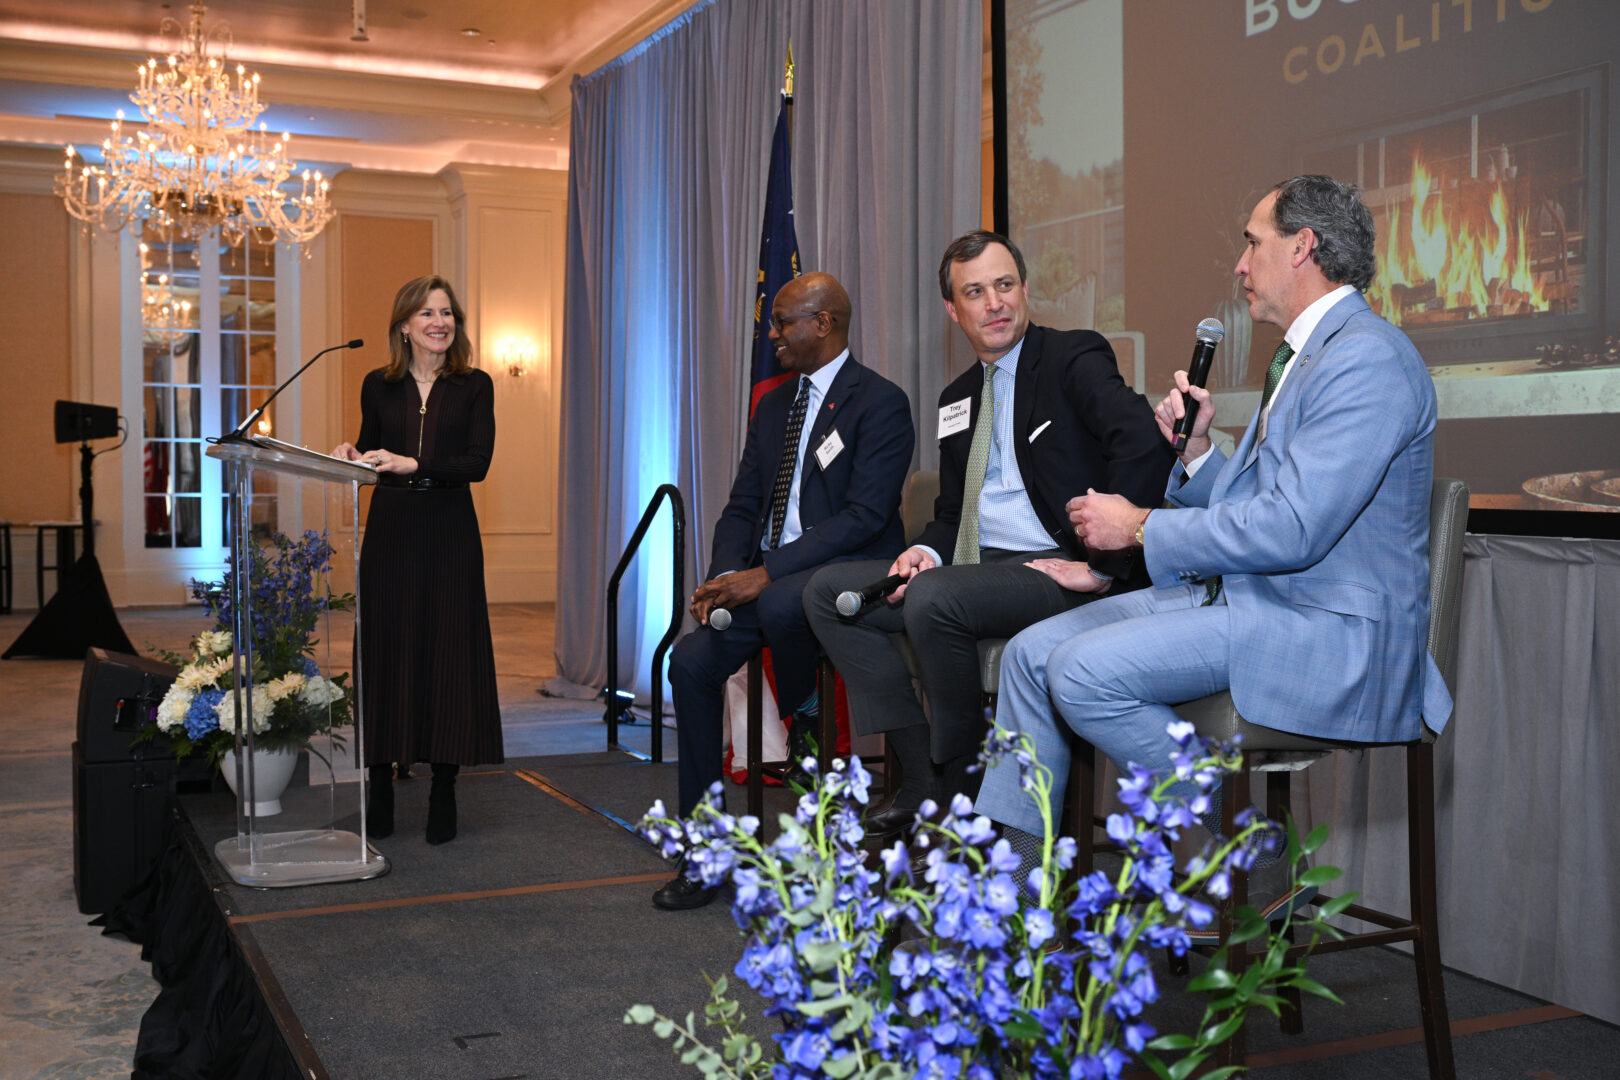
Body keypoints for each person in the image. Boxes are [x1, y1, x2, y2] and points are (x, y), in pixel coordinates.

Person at [973, 175, 1453, 928]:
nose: (1239, 266)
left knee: (1083, 670)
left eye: (1251, 242)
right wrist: (1197, 454)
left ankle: (1245, 852)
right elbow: (1264, 509)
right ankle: (1009, 894)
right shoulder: (1305, 355)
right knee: (1032, 655)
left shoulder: (1367, 360)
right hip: (1260, 598)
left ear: (1304, 247)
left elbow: (1293, 530)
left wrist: (1139, 528)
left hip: (1332, 630)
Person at [804, 231, 1171, 839]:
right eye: (975, 292)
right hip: (978, 568)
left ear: (1024, 290)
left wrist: (1108, 560)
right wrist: (923, 551)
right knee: (829, 593)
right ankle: (921, 771)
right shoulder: (956, 399)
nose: (994, 303)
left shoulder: (1072, 358)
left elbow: (1145, 445)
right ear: (954, 310)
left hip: (1055, 569)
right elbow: (953, 512)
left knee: (936, 597)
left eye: (1004, 286)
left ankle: (963, 790)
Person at [654, 271, 915, 910]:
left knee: (774, 599)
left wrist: (765, 573)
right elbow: (743, 505)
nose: (771, 335)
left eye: (782, 322)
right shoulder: (774, 405)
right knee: (688, 663)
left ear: (823, 324)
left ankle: (802, 721)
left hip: (848, 577)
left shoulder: (879, 402)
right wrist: (722, 577)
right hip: (769, 585)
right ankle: (704, 849)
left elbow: (865, 516)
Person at [333, 274, 503, 846]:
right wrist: (352, 457)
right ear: (404, 325)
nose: (439, 322)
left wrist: (416, 463)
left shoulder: (474, 385)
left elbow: (476, 464)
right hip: (393, 530)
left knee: (448, 653)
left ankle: (443, 788)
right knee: (387, 649)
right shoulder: (377, 386)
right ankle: (378, 781)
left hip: (450, 530)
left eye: (447, 313)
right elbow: (371, 453)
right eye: (427, 313)